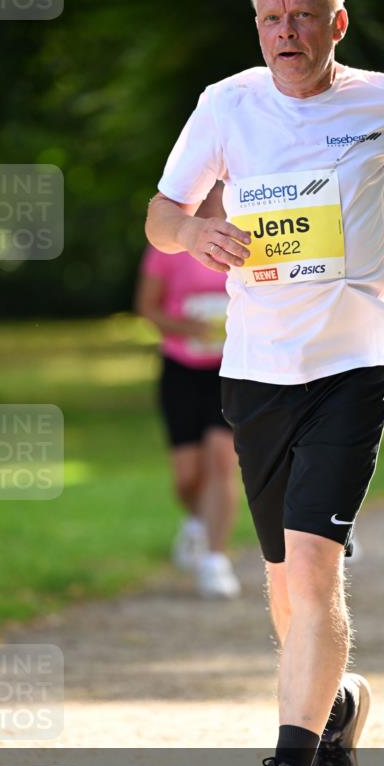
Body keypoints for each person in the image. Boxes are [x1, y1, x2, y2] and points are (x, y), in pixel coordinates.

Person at [145, 0, 384, 766]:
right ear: (258, 28)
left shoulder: (380, 102)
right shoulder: (225, 105)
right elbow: (162, 214)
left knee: (316, 573)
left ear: (337, 24)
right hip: (254, 371)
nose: (287, 32)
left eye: (304, 16)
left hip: (353, 365)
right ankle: (337, 708)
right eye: (272, 19)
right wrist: (196, 232)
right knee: (285, 592)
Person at [136, 182, 241, 599]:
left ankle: (216, 561)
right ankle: (196, 520)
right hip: (180, 367)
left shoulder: (250, 236)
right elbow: (147, 306)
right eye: (209, 192)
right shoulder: (170, 243)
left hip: (230, 368)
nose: (217, 198)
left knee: (221, 460)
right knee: (187, 474)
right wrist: (189, 329)